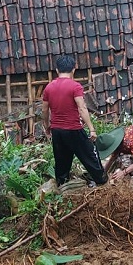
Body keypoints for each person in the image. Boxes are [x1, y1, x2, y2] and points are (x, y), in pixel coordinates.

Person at [42, 55, 107, 187]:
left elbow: (44, 110)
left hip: (57, 131)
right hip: (73, 129)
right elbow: (82, 108)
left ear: (57, 70)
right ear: (73, 70)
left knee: (61, 161)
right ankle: (102, 182)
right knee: (90, 156)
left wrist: (47, 126)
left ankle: (61, 186)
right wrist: (91, 129)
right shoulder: (75, 86)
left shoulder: (48, 87)